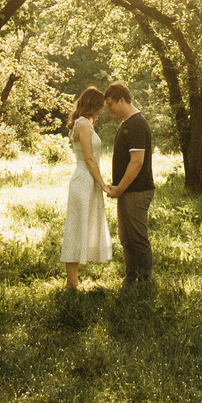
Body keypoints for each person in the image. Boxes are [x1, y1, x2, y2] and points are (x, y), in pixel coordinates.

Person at [103, 81, 155, 284]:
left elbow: (137, 162)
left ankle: (144, 282)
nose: (109, 110)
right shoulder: (128, 123)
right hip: (127, 192)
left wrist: (119, 189)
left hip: (137, 192)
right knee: (126, 238)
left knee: (138, 239)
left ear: (122, 100)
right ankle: (131, 277)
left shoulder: (136, 124)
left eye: (110, 104)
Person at [60, 85, 110, 290]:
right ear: (93, 105)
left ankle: (73, 281)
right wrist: (104, 185)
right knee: (75, 228)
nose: (102, 111)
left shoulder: (82, 123)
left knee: (79, 227)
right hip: (84, 180)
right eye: (100, 107)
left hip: (86, 179)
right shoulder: (84, 125)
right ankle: (71, 282)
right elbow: (89, 159)